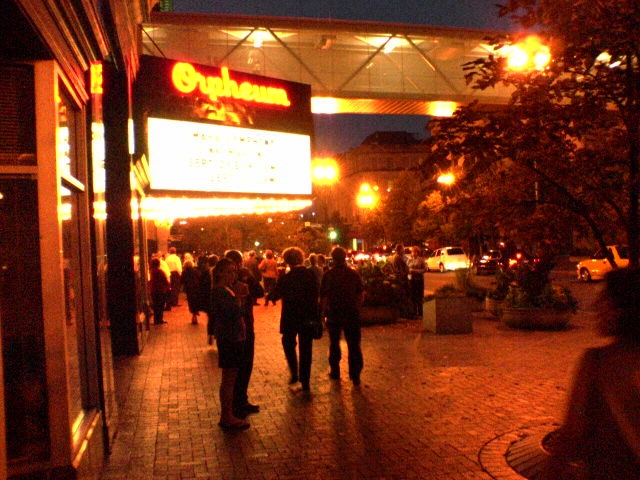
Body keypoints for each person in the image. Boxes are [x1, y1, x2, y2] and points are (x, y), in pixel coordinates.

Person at [540, 268, 640, 480]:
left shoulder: (597, 364)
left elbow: (570, 436)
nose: (597, 306)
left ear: (622, 309)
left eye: (605, 299)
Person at [269, 247, 319, 392]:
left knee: (288, 343)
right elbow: (316, 295)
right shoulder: (310, 275)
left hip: (290, 317)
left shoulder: (286, 277)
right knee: (306, 348)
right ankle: (305, 380)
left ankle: (294, 371)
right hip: (307, 316)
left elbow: (275, 295)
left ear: (287, 261)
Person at [210, 258, 250, 431]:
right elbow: (232, 313)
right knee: (229, 378)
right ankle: (227, 416)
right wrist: (240, 301)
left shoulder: (226, 290)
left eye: (234, 271)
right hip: (230, 338)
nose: (233, 275)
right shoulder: (220, 292)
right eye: (229, 271)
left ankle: (228, 414)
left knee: (230, 377)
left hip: (233, 336)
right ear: (220, 273)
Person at [319, 246, 365, 385]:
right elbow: (361, 294)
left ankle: (335, 371)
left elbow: (324, 297)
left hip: (334, 313)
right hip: (351, 313)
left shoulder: (328, 275)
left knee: (334, 343)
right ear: (345, 257)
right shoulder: (353, 274)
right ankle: (355, 374)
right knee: (354, 345)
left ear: (332, 258)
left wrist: (322, 314)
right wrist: (357, 307)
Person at [225, 249, 261, 419]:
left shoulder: (245, 276)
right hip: (235, 328)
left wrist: (250, 278)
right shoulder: (223, 284)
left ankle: (241, 400)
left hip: (247, 325)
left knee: (246, 365)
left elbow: (259, 292)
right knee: (237, 367)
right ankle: (235, 405)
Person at [148, 257, 170, 325]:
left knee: (155, 306)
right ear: (158, 264)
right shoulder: (160, 271)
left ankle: (156, 320)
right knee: (160, 305)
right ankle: (159, 319)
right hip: (160, 290)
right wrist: (168, 287)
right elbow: (165, 280)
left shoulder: (151, 271)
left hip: (153, 290)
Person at [407, 246, 426, 319]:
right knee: (413, 295)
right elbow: (407, 268)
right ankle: (414, 311)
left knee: (419, 295)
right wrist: (409, 271)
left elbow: (424, 269)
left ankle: (421, 311)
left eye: (415, 252)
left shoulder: (421, 260)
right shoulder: (410, 260)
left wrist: (416, 271)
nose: (414, 253)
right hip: (412, 279)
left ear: (417, 253)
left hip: (419, 279)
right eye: (412, 252)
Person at [181, 254, 200, 324]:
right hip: (196, 288)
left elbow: (182, 280)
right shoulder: (195, 271)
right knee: (195, 301)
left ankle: (193, 314)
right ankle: (195, 314)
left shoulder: (184, 272)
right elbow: (199, 278)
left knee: (191, 302)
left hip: (189, 289)